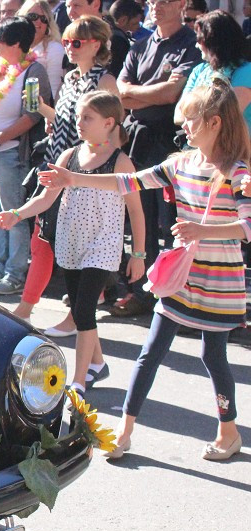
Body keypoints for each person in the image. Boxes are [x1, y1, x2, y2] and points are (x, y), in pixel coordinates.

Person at [42, 80, 248, 461]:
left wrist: (202, 230)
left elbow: (248, 226)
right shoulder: (179, 164)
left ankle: (228, 427)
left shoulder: (238, 173)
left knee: (213, 357)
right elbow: (128, 181)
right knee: (150, 352)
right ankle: (124, 430)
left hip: (219, 283)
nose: (183, 127)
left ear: (215, 123)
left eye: (190, 120)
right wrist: (74, 178)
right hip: (180, 280)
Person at [0, 91, 145, 394]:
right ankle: (98, 364)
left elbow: (136, 210)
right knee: (81, 310)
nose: (79, 123)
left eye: (87, 118)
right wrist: (16, 214)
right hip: (71, 243)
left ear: (109, 123)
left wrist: (139, 253)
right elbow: (45, 198)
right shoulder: (69, 156)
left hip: (101, 247)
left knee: (84, 310)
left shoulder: (121, 162)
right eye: (78, 116)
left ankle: (78, 380)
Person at [15, 15, 117, 331]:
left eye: (77, 42)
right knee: (42, 239)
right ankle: (25, 308)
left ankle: (76, 316)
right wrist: (42, 108)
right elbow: (64, 119)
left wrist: (95, 170)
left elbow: (112, 131)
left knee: (81, 246)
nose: (69, 48)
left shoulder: (105, 81)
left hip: (86, 172)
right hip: (56, 163)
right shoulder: (71, 78)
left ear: (96, 44)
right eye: (67, 42)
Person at [112, 0, 200, 318]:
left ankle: (180, 293)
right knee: (142, 219)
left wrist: (137, 93)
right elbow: (120, 90)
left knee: (172, 221)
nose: (155, 7)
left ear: (182, 4)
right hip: (138, 140)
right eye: (151, 1)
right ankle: (143, 291)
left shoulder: (190, 44)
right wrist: (144, 92)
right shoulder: (141, 43)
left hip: (170, 143)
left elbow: (171, 94)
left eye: (163, 1)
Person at [0, 16, 50, 295]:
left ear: (16, 43)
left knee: (12, 213)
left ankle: (15, 273)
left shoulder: (34, 71)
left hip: (10, 153)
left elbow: (32, 114)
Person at [177, 11, 251, 133]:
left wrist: (192, 114)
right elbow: (178, 115)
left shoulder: (247, 71)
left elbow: (226, 117)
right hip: (198, 149)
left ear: (213, 41)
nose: (196, 45)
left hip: (234, 150)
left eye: (199, 40)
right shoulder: (199, 70)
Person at [17, 0, 64, 99]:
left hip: (38, 109)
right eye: (33, 16)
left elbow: (54, 93)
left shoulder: (54, 49)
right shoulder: (14, 45)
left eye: (44, 19)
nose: (38, 22)